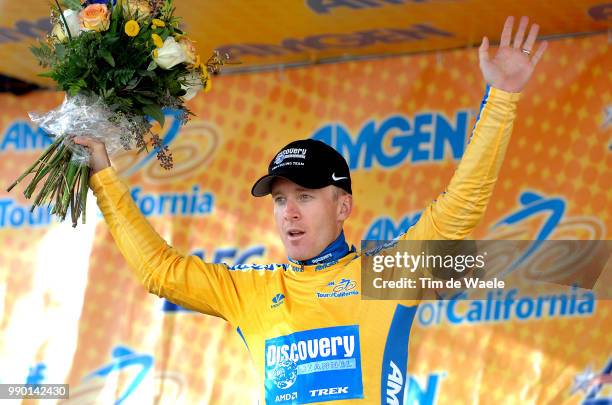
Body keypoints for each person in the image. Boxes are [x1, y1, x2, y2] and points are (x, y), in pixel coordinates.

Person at [75, 16, 547, 405]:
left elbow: (461, 205)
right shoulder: (253, 291)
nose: (289, 213)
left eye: (305, 196)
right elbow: (160, 271)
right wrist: (101, 173)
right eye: (281, 199)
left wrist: (502, 97)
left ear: (344, 206)